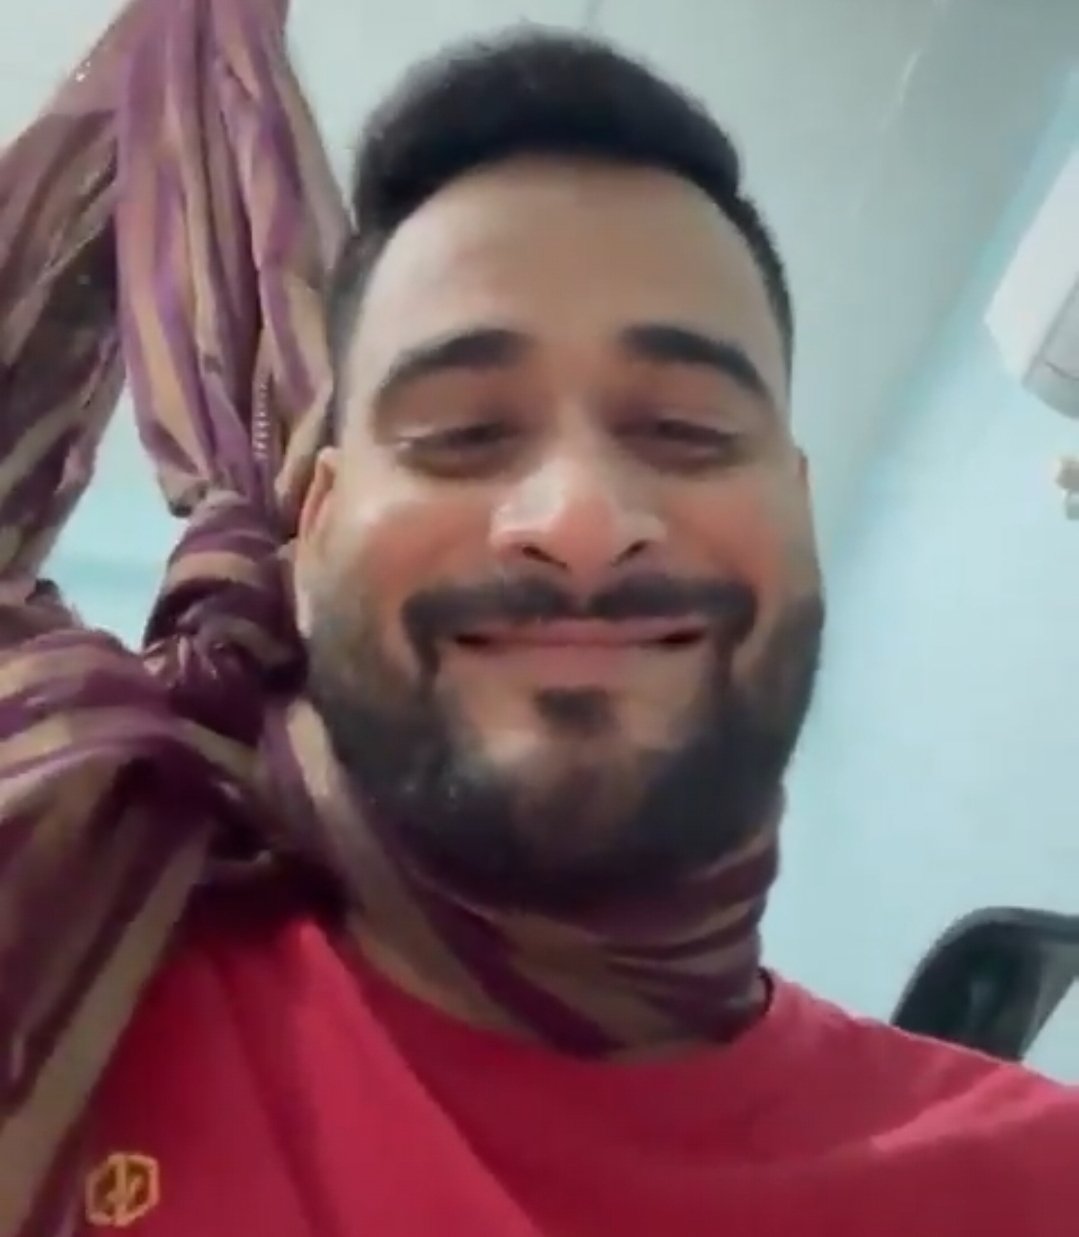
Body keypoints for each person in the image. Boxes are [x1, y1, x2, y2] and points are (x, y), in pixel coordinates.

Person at [35, 29, 1079, 1237]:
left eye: (686, 431)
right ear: (308, 537)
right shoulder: (54, 957)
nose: (579, 523)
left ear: (797, 514)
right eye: (463, 433)